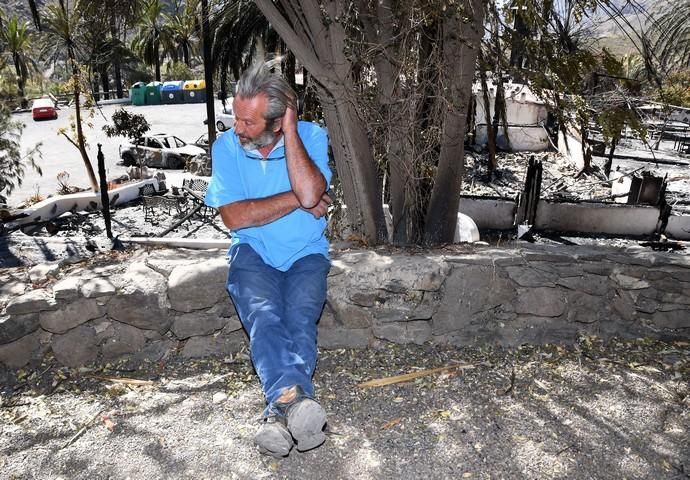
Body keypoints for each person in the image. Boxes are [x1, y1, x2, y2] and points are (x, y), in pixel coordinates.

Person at [204, 60, 332, 458]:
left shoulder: (310, 135)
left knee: (298, 320)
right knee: (263, 315)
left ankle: (276, 417)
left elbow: (313, 192)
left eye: (248, 122)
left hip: (306, 253)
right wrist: (298, 199)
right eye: (236, 118)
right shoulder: (225, 146)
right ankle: (295, 403)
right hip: (252, 252)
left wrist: (292, 133)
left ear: (278, 122)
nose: (237, 128)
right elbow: (235, 216)